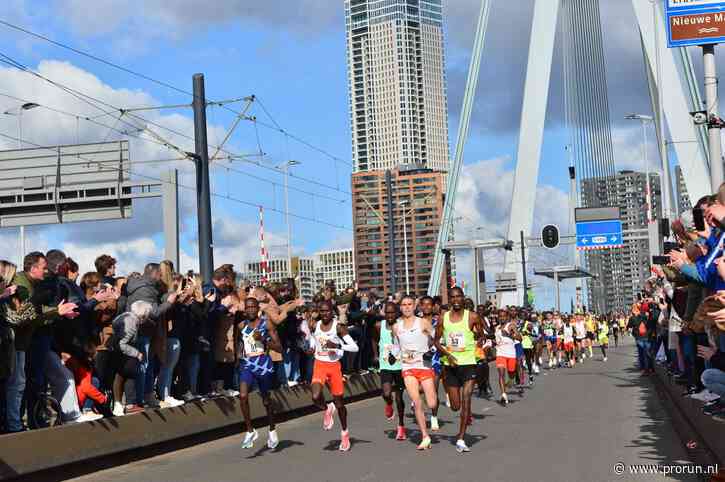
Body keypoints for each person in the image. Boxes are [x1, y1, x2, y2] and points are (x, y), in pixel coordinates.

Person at [433, 286, 483, 453]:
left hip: (469, 364)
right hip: (451, 366)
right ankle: (463, 414)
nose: (455, 300)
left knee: (466, 399)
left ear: (463, 298)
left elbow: (481, 336)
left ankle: (461, 438)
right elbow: (436, 342)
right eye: (452, 297)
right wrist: (448, 354)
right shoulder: (443, 318)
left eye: (458, 297)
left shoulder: (473, 317)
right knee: (455, 406)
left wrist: (478, 340)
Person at [308, 300, 358, 452]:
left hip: (334, 366)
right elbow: (313, 340)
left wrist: (337, 346)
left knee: (340, 404)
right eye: (322, 311)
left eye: (327, 311)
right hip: (319, 365)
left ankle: (344, 432)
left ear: (332, 312)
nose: (325, 314)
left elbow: (354, 347)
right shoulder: (315, 325)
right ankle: (327, 407)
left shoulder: (339, 327)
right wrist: (311, 348)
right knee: (316, 396)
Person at [393, 295, 437, 450]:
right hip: (408, 367)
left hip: (424, 365)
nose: (406, 307)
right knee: (416, 401)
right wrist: (394, 356)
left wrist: (431, 350)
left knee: (431, 403)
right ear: (400, 307)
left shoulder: (423, 322)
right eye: (403, 304)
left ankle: (425, 406)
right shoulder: (396, 327)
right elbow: (397, 346)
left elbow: (437, 340)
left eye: (409, 304)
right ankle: (425, 435)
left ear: (414, 306)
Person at [238, 297, 282, 449]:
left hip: (263, 364)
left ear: (258, 308)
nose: (250, 309)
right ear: (244, 309)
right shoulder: (241, 325)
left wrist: (263, 339)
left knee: (266, 400)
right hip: (248, 364)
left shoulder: (266, 323)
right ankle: (250, 431)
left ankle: (272, 429)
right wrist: (239, 355)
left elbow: (279, 347)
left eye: (253, 307)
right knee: (243, 396)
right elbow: (240, 343)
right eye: (247, 307)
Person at [111, 301, 154, 416]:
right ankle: (126, 404)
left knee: (122, 375)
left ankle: (122, 404)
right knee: (127, 374)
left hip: (116, 350)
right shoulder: (133, 324)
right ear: (143, 315)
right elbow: (122, 344)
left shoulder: (126, 315)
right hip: (121, 352)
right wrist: (137, 353)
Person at [372, 301, 406, 441]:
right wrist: (375, 355)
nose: (390, 315)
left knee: (399, 398)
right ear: (384, 313)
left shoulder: (402, 326)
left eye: (392, 312)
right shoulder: (379, 326)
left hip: (400, 366)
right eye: (387, 312)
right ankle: (388, 403)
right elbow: (373, 339)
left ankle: (401, 426)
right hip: (385, 365)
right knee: (386, 393)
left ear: (397, 313)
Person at [420, 295, 443, 429]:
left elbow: (443, 339)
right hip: (419, 361)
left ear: (433, 306)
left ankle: (434, 416)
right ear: (421, 306)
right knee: (420, 389)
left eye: (430, 304)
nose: (427, 307)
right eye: (424, 304)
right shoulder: (416, 322)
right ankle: (417, 403)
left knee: (433, 391)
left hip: (435, 360)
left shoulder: (438, 321)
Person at [494, 312, 517, 406]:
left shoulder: (511, 326)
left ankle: (511, 380)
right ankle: (503, 394)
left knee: (511, 373)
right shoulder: (497, 328)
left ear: (507, 317)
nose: (502, 318)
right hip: (500, 353)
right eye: (500, 316)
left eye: (504, 316)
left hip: (511, 354)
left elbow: (519, 338)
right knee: (501, 374)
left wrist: (508, 334)